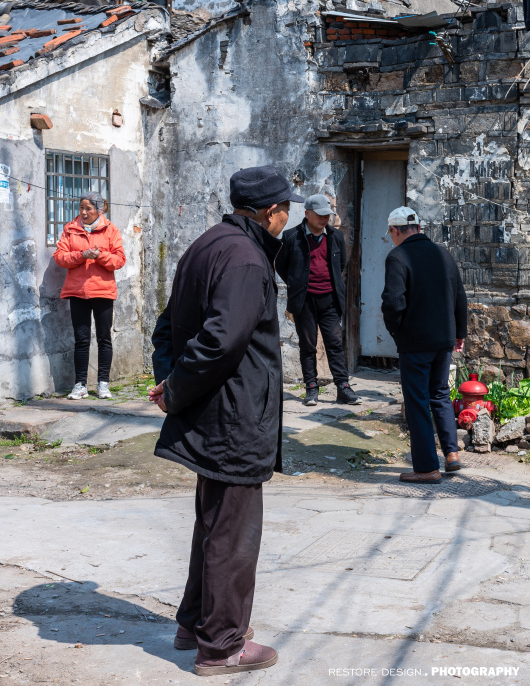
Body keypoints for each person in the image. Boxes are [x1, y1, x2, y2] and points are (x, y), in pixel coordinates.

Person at [148, 165, 299, 676]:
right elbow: (219, 342)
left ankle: (197, 624)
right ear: (269, 212)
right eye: (285, 211)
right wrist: (174, 391)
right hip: (235, 416)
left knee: (213, 525)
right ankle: (221, 645)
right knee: (233, 534)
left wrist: (171, 382)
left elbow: (167, 327)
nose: (286, 220)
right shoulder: (246, 259)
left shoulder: (207, 244)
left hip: (215, 412)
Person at [380, 207, 467, 483]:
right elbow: (460, 296)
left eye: (391, 233)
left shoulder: (398, 256)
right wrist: (459, 333)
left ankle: (427, 468)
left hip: (415, 342)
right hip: (444, 339)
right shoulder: (443, 254)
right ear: (418, 227)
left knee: (417, 401)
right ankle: (451, 454)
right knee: (440, 394)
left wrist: (397, 332)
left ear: (395, 230)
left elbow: (393, 302)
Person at [274, 193, 361, 406]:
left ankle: (343, 387)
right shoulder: (291, 237)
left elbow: (341, 264)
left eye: (327, 215)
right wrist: (296, 283)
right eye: (320, 215)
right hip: (304, 300)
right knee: (308, 345)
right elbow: (281, 265)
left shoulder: (335, 236)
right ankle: (311, 388)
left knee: (335, 343)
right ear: (307, 214)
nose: (324, 219)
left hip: (330, 299)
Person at [53, 192, 125, 400]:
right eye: (81, 208)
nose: (83, 213)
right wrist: (81, 255)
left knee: (104, 338)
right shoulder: (70, 228)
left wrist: (100, 255)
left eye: (88, 209)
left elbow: (119, 260)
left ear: (99, 210)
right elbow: (59, 257)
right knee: (81, 340)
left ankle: (103, 383)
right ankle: (80, 385)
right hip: (78, 292)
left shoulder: (111, 230)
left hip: (103, 291)